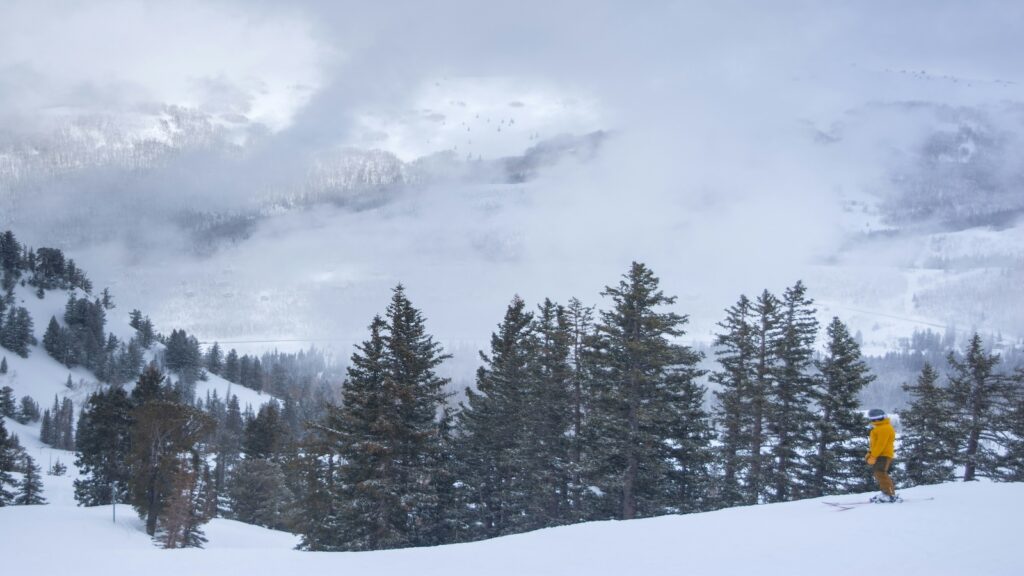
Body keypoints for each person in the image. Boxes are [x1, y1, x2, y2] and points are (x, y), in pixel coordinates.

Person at [865, 408, 899, 503]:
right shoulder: (882, 428)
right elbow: (876, 445)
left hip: (882, 455)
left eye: (877, 419)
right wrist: (871, 453)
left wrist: (873, 456)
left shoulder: (883, 428)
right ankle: (887, 493)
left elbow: (881, 444)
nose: (875, 421)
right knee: (879, 473)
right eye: (873, 419)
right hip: (881, 454)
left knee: (880, 473)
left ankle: (889, 494)